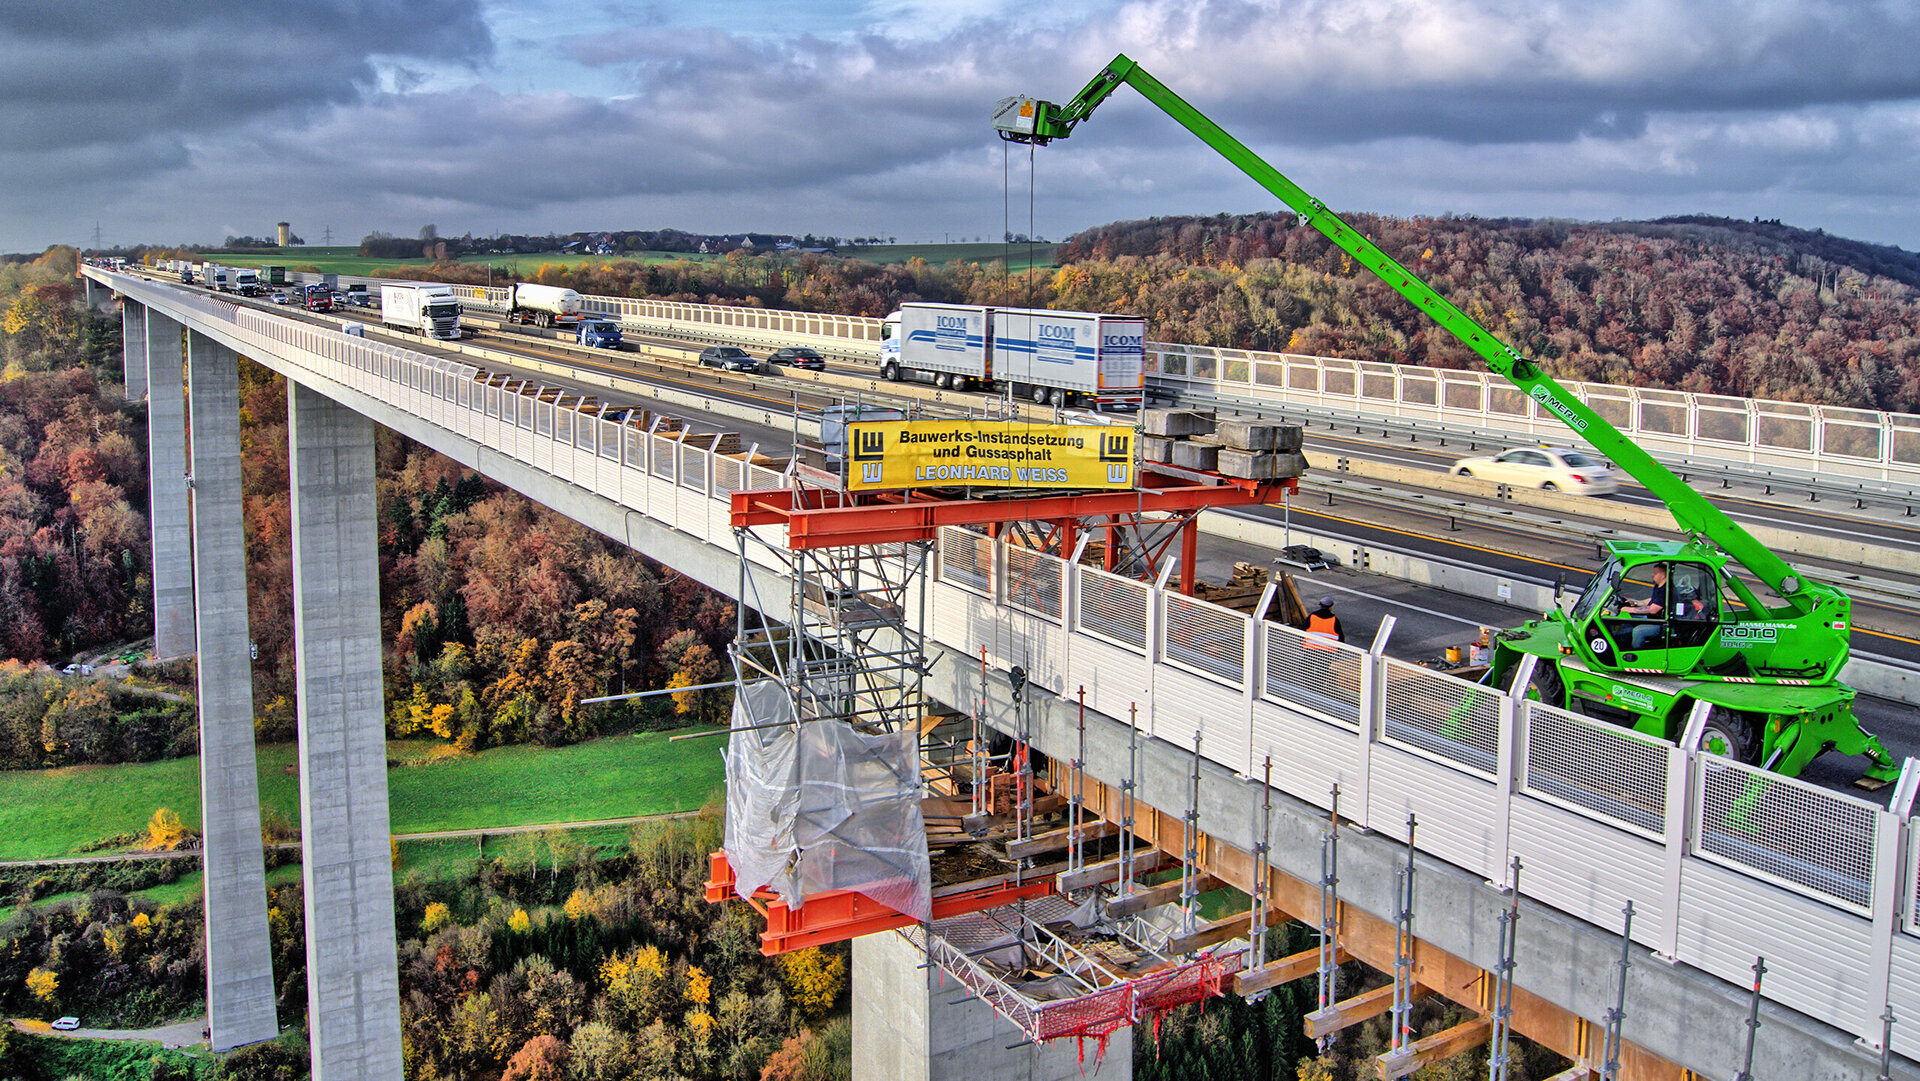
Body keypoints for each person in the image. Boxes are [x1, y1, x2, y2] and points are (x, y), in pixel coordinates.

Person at [1623, 565, 1670, 649]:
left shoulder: (1665, 590)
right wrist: (1635, 602)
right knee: (1628, 619)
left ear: (1663, 576)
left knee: (1638, 631)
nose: (1652, 575)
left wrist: (1631, 609)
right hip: (1653, 618)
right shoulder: (1659, 586)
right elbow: (1651, 601)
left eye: (1655, 573)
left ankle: (1634, 651)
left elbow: (1653, 609)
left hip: (1661, 623)